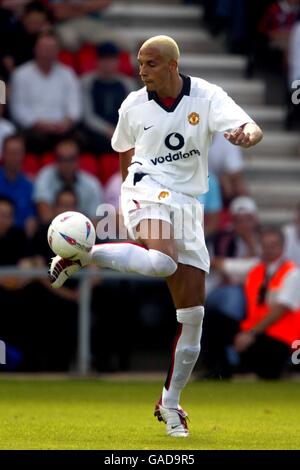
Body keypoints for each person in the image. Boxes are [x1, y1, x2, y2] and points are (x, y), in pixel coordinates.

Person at [49, 35, 263, 437]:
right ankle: (86, 254)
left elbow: (249, 126)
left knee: (193, 317)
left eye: (149, 64)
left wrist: (247, 135)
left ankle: (170, 404)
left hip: (187, 203)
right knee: (162, 260)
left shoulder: (206, 96)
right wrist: (131, 195)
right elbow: (123, 151)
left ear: (171, 65)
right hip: (145, 188)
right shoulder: (132, 104)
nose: (141, 70)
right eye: (140, 63)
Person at [234, 227, 300, 379]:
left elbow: (281, 308)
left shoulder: (292, 273)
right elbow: (232, 266)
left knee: (267, 365)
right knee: (219, 322)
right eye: (265, 245)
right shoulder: (256, 270)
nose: (269, 250)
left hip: (282, 338)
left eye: (273, 245)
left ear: (282, 247)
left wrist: (250, 333)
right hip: (258, 332)